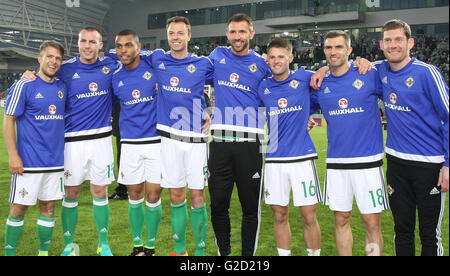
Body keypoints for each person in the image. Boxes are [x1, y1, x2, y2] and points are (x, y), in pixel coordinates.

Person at [22, 27, 118, 256]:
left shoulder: (111, 66)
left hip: (102, 139)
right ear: (78, 44)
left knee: (100, 192)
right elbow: (43, 76)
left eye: (92, 42)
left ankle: (103, 245)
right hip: (72, 142)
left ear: (100, 45)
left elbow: (133, 58)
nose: (87, 46)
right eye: (83, 41)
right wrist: (30, 75)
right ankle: (68, 245)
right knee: (71, 193)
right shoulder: (65, 69)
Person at [310, 30, 388, 256]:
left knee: (371, 223)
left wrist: (368, 61)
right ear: (323, 51)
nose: (333, 52)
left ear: (350, 50)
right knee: (341, 220)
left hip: (368, 162)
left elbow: (392, 64)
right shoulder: (320, 81)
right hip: (336, 163)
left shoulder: (368, 73)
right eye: (328, 48)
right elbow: (300, 97)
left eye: (338, 47)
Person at [376, 19, 448, 256]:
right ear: (381, 44)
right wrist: (324, 68)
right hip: (396, 164)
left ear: (411, 43)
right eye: (388, 40)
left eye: (398, 39)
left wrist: (448, 164)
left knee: (429, 234)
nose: (393, 45)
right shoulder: (380, 70)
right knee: (402, 230)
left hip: (429, 165)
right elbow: (345, 67)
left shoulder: (427, 73)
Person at [208, 13, 271, 256]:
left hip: (251, 143)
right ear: (227, 34)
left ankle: (247, 258)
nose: (237, 37)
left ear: (251, 34)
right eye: (233, 32)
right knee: (218, 205)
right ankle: (224, 255)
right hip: (220, 142)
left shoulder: (263, 65)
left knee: (249, 208)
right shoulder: (217, 57)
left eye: (242, 32)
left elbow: (281, 87)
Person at [258, 38, 322, 256]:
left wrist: (310, 114)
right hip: (275, 159)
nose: (276, 61)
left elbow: (327, 76)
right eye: (272, 57)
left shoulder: (304, 77)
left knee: (308, 215)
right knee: (279, 215)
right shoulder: (263, 87)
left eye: (281, 56)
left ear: (290, 58)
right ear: (267, 60)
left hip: (302, 158)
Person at [3, 41, 67, 256]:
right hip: (28, 162)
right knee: (19, 209)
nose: (53, 61)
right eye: (49, 56)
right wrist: (13, 156)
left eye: (58, 58)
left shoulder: (62, 87)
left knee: (48, 208)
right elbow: (8, 120)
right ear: (39, 59)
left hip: (55, 162)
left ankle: (43, 253)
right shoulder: (24, 85)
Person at [112, 29, 162, 256]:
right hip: (130, 143)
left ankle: (150, 247)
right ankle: (137, 246)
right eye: (119, 46)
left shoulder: (155, 69)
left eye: (128, 45)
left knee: (153, 195)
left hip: (155, 141)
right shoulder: (115, 76)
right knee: (134, 195)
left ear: (138, 47)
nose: (124, 50)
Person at [108, 101, 128, 201]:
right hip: (121, 123)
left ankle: (124, 190)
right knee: (121, 156)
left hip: (129, 123)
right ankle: (123, 189)